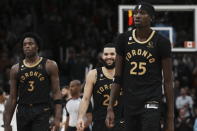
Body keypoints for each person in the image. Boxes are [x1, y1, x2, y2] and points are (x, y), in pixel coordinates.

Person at [106, 2, 174, 131]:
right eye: (135, 13)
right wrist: (110, 107)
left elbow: (168, 81)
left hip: (151, 98)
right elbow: (118, 77)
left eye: (142, 13)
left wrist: (170, 116)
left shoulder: (162, 42)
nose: (137, 16)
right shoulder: (123, 39)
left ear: (151, 18)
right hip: (129, 100)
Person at [3, 32, 62, 131]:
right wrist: (7, 123)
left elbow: (56, 93)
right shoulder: (15, 69)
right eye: (24, 44)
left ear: (37, 46)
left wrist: (57, 118)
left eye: (30, 44)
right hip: (22, 110)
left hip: (41, 109)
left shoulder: (49, 65)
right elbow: (12, 98)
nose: (27, 46)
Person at [77, 43, 124, 131]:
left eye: (112, 54)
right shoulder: (93, 74)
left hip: (121, 121)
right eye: (106, 54)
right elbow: (85, 99)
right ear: (102, 56)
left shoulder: (124, 73)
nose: (109, 57)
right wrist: (80, 117)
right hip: (100, 122)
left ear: (117, 55)